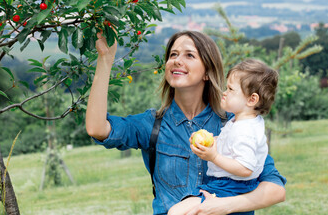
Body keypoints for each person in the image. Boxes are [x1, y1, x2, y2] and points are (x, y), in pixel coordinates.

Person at [86, 30, 286, 215]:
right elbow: (97, 128)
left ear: (207, 72)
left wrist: (223, 206)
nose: (177, 61)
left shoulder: (233, 125)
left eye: (189, 55)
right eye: (173, 55)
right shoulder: (152, 125)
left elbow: (275, 190)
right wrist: (105, 59)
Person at [168, 59, 278, 215]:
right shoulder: (244, 121)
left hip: (230, 187)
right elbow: (231, 144)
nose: (224, 92)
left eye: (231, 89)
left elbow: (245, 168)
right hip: (230, 187)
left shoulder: (244, 130)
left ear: (252, 99)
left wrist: (214, 157)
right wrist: (210, 141)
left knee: (176, 212)